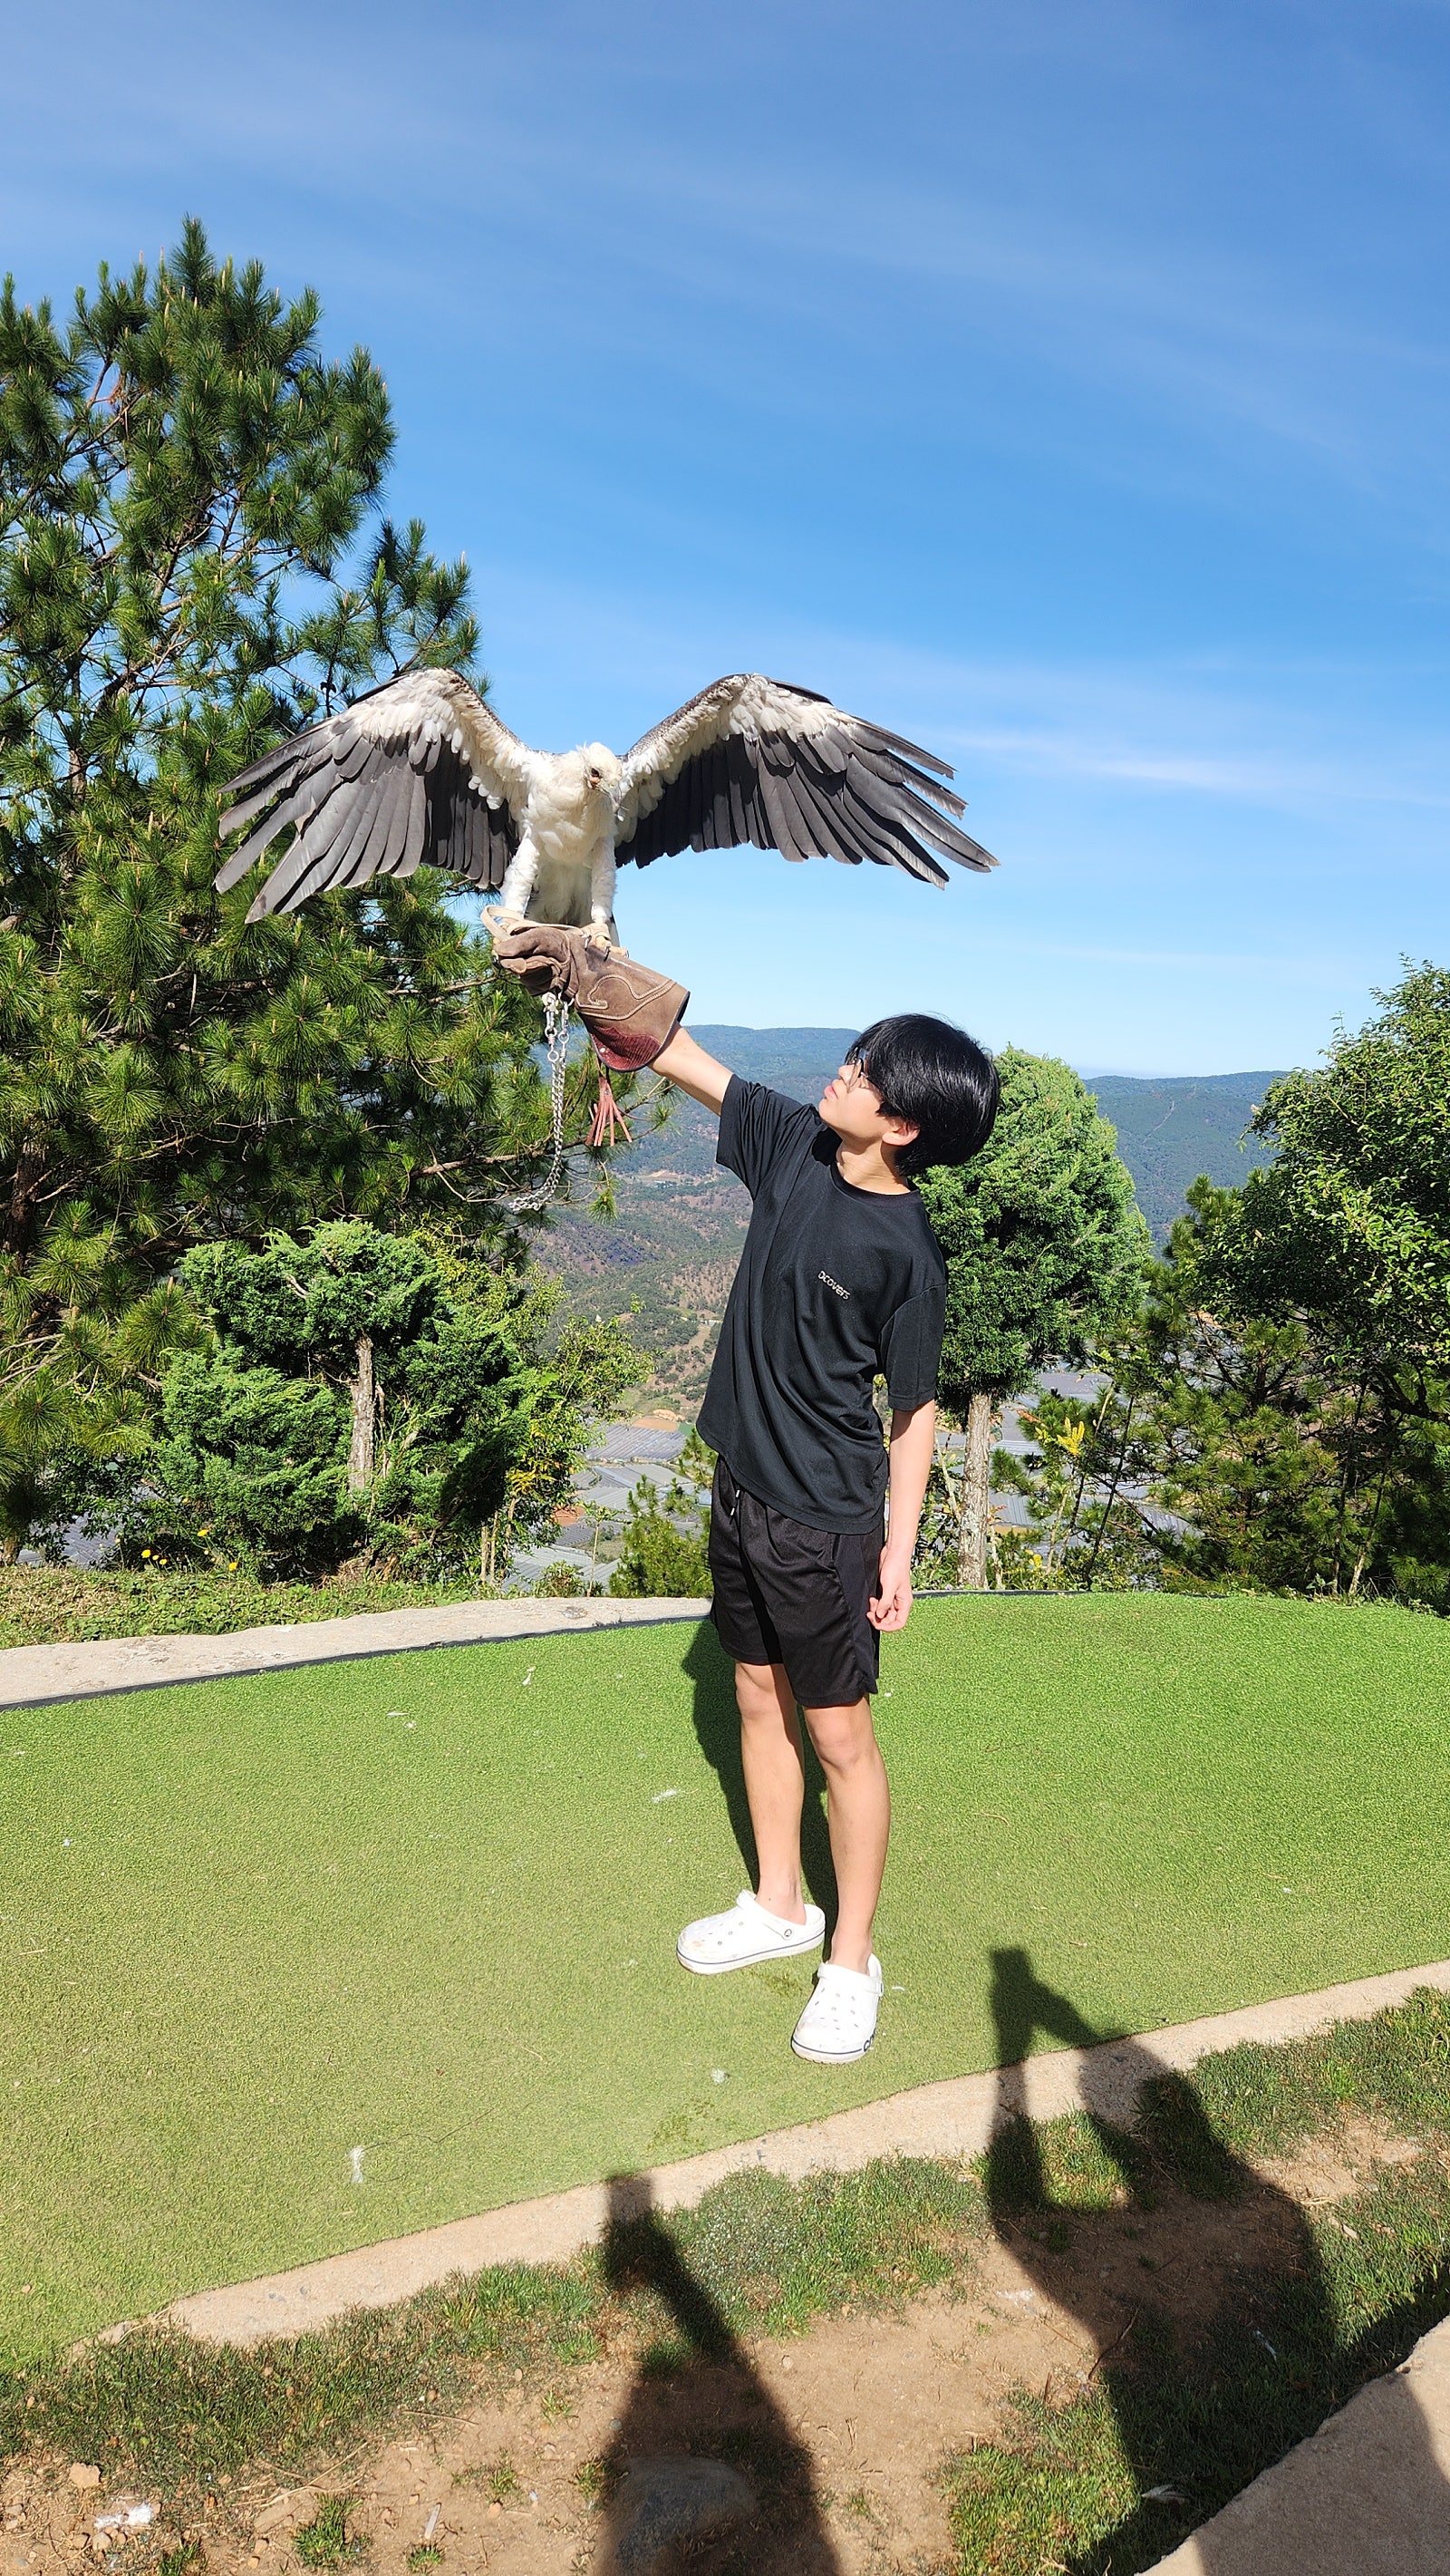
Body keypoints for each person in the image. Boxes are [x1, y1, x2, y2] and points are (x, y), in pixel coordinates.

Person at [489, 921, 1000, 2065]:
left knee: (841, 1740)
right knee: (756, 1700)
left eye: (866, 1073)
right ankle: (779, 1904)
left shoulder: (908, 1255)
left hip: (824, 1518)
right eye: (855, 1054)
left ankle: (851, 1959)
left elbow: (914, 1411)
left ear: (903, 1127)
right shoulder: (792, 1143)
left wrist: (899, 1549)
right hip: (741, 1488)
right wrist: (584, 970)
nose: (843, 1072)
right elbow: (680, 1054)